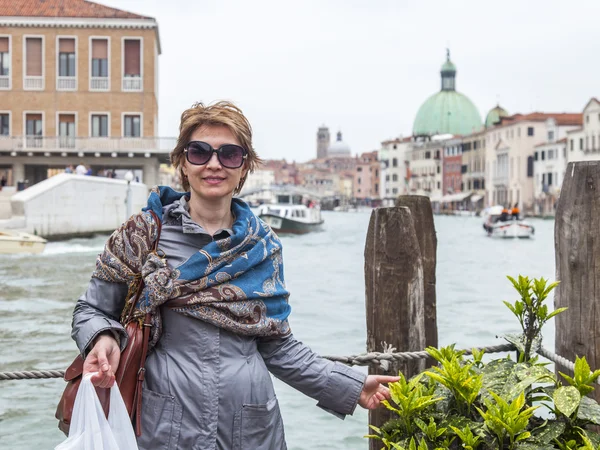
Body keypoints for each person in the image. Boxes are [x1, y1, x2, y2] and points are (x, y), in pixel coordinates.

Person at [71, 101, 398, 449]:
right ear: (183, 162)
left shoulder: (264, 245)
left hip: (251, 429)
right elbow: (91, 311)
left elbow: (278, 347)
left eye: (229, 154)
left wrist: (350, 386)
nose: (214, 164)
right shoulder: (142, 235)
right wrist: (103, 337)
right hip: (162, 427)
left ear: (244, 167)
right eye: (199, 152)